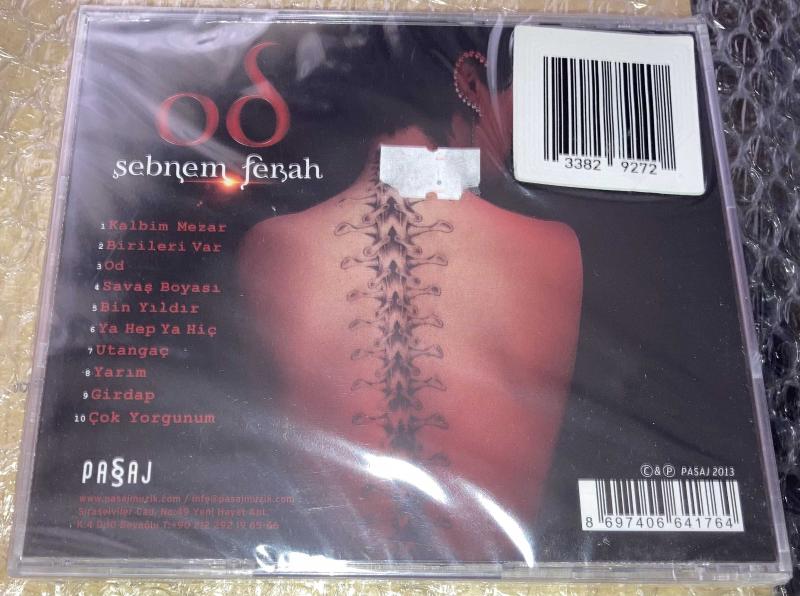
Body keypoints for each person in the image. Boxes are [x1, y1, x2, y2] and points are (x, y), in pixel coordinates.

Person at [236, 25, 582, 562]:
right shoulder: (554, 250)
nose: (518, 128)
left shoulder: (269, 248)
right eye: (518, 97)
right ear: (472, 81)